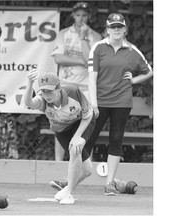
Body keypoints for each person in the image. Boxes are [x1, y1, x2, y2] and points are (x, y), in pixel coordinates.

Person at [87, 13, 153, 196]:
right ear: (107, 29)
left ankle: (110, 184)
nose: (116, 30)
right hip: (99, 101)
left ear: (125, 30)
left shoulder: (133, 51)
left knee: (116, 140)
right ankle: (71, 179)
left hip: (122, 102)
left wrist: (134, 80)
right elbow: (91, 78)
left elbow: (149, 71)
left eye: (119, 27)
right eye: (112, 27)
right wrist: (94, 104)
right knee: (86, 140)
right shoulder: (98, 48)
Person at [23, 70, 96, 204]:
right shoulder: (42, 101)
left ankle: (68, 194)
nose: (47, 95)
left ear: (58, 88)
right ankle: (67, 187)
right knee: (87, 170)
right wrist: (30, 83)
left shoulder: (73, 92)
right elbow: (29, 102)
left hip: (83, 121)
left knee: (75, 149)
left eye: (50, 91)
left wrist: (78, 136)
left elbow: (88, 115)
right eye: (43, 91)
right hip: (62, 130)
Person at [51, 2, 102, 163]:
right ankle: (58, 163)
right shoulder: (63, 33)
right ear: (72, 15)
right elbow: (58, 58)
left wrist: (83, 38)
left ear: (89, 17)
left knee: (86, 126)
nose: (81, 18)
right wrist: (82, 60)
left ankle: (85, 164)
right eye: (78, 15)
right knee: (61, 124)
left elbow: (90, 61)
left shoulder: (96, 36)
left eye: (84, 15)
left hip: (86, 88)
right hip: (64, 85)